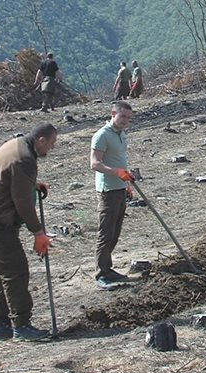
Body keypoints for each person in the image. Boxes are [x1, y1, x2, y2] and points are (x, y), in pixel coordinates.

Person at [0, 123, 57, 341]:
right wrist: (38, 233)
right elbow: (23, 203)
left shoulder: (16, 145)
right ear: (41, 140)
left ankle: (0, 327)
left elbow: (12, 180)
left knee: (1, 271)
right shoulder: (23, 158)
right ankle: (21, 325)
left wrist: (31, 184)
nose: (51, 149)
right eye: (51, 144)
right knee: (16, 270)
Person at [90, 101, 135, 290]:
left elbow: (119, 160)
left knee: (115, 232)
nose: (125, 120)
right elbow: (95, 163)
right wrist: (116, 172)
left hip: (120, 188)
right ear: (113, 113)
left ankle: (108, 269)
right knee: (106, 233)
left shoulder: (121, 134)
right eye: (122, 116)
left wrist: (127, 182)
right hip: (107, 190)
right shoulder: (102, 135)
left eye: (128, 118)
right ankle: (101, 274)